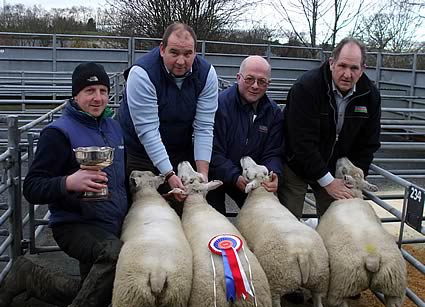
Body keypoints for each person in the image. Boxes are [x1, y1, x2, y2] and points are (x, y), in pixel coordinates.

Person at [0, 62, 129, 307]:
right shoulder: (58, 133)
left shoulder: (113, 127)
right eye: (89, 91)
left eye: (102, 91)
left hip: (110, 222)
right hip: (75, 224)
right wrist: (68, 182)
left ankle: (27, 275)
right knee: (116, 256)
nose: (97, 97)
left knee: (95, 294)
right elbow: (32, 187)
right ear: (75, 95)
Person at [278, 37, 381, 219]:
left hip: (335, 168)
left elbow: (369, 141)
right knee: (288, 219)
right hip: (297, 165)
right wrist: (327, 182)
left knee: (334, 223)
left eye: (354, 68)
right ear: (332, 63)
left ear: (363, 69)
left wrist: (357, 173)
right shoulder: (306, 88)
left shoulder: (369, 95)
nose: (347, 74)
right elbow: (300, 142)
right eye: (342, 66)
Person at [118, 22, 218, 200]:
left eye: (188, 54)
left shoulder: (207, 74)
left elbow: (204, 126)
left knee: (183, 204)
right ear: (162, 49)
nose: (181, 61)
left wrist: (203, 174)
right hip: (140, 151)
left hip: (179, 147)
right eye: (174, 52)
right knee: (143, 206)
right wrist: (169, 175)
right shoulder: (142, 74)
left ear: (195, 52)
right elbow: (148, 131)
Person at [207, 55, 283, 214]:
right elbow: (212, 152)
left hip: (250, 178)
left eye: (262, 81)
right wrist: (234, 176)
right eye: (249, 79)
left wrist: (273, 173)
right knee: (215, 220)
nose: (255, 86)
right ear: (238, 78)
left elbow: (273, 151)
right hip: (216, 175)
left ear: (268, 84)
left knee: (266, 217)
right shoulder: (219, 105)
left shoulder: (274, 113)